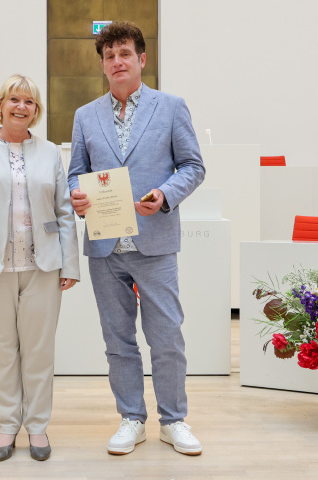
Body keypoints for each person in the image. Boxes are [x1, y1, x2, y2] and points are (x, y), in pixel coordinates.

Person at [67, 21, 206, 456]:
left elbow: (193, 166)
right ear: (103, 66)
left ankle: (174, 420)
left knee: (166, 337)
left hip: (154, 243)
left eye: (125, 53)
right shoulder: (85, 115)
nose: (118, 62)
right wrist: (76, 196)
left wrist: (165, 194)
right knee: (118, 340)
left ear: (141, 59)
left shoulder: (171, 107)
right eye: (109, 57)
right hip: (105, 249)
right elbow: (75, 172)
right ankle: (131, 418)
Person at [0, 74, 80, 462]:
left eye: (30, 102)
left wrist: (69, 262)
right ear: (1, 104)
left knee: (39, 351)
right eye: (14, 100)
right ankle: (7, 424)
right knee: (1, 349)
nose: (21, 107)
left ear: (36, 111)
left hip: (43, 267)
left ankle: (37, 427)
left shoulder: (51, 153)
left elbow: (64, 212)